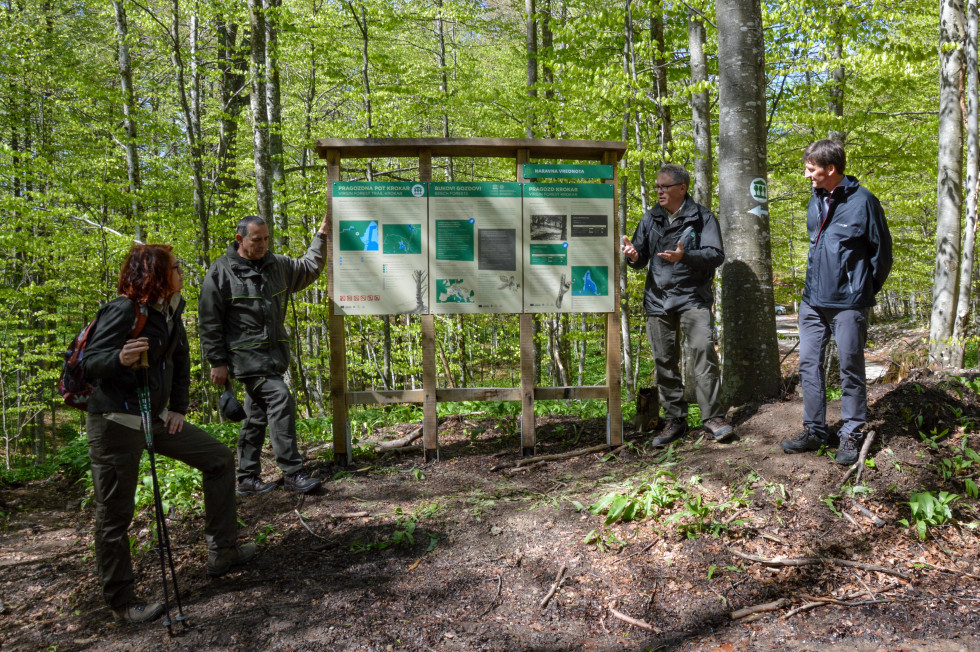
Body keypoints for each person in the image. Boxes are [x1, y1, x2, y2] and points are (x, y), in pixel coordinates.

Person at [83, 244, 254, 624]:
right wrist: (119, 358)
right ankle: (122, 603)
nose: (181, 272)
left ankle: (223, 551)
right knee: (115, 514)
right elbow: (89, 361)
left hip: (156, 418)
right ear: (156, 275)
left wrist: (178, 408)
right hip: (115, 423)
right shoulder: (123, 310)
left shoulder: (171, 311)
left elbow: (181, 360)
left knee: (218, 459)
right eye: (175, 267)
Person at [199, 215, 328, 495]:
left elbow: (308, 267)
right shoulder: (221, 272)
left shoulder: (276, 265)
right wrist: (217, 361)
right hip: (244, 358)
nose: (263, 245)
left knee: (256, 415)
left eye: (266, 239)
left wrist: (321, 235)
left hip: (273, 357)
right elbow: (209, 321)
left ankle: (246, 478)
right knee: (280, 397)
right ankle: (293, 472)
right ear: (240, 239)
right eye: (257, 240)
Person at [781, 139, 892, 464]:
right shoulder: (814, 202)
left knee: (850, 369)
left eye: (811, 169)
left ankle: (851, 435)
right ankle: (815, 431)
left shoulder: (864, 202)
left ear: (831, 169)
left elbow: (881, 254)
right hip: (812, 302)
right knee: (809, 366)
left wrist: (861, 289)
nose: (807, 175)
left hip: (849, 304)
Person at [621, 164, 735, 447]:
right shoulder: (651, 218)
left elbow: (715, 255)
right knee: (664, 360)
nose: (658, 191)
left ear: (681, 188)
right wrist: (633, 255)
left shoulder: (702, 217)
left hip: (693, 298)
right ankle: (675, 419)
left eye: (664, 186)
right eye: (657, 187)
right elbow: (640, 258)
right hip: (658, 299)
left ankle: (712, 418)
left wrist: (686, 256)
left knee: (703, 353)